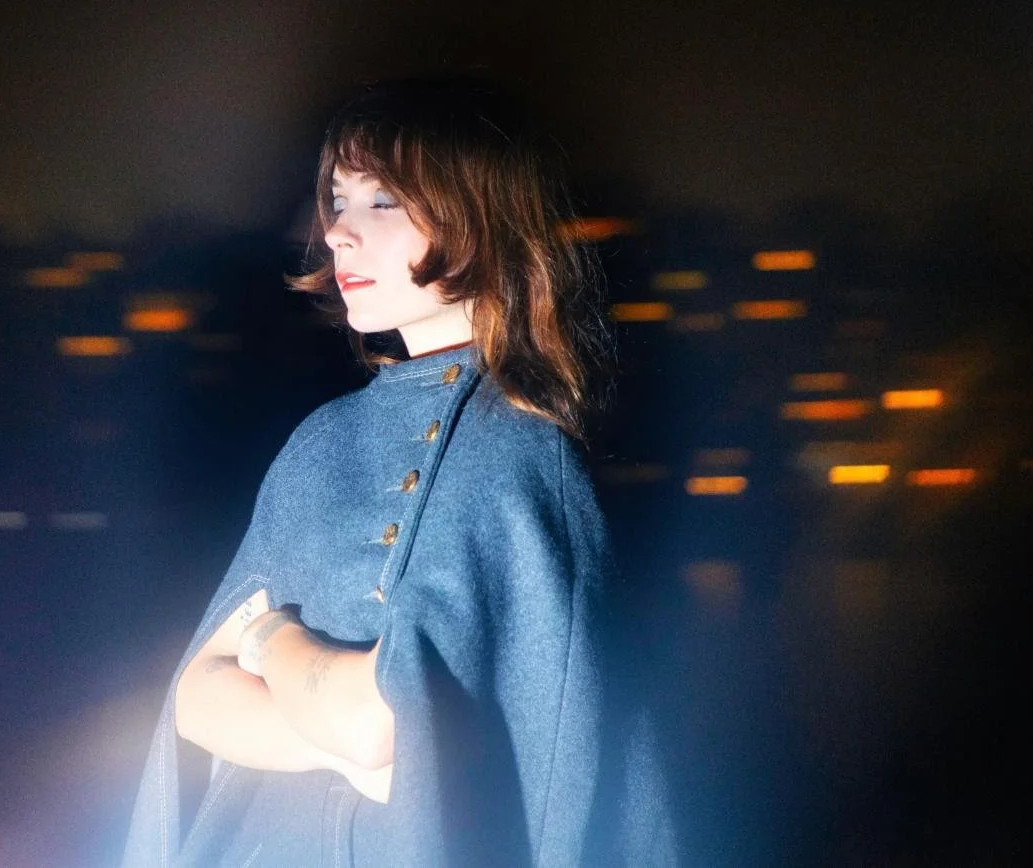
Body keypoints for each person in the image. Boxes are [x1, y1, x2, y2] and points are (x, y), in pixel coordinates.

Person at [122, 77, 676, 867]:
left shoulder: (524, 458)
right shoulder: (320, 442)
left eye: (382, 202)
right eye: (339, 202)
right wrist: (344, 739)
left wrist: (271, 638)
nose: (340, 233)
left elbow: (375, 718)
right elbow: (197, 702)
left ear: (480, 219)